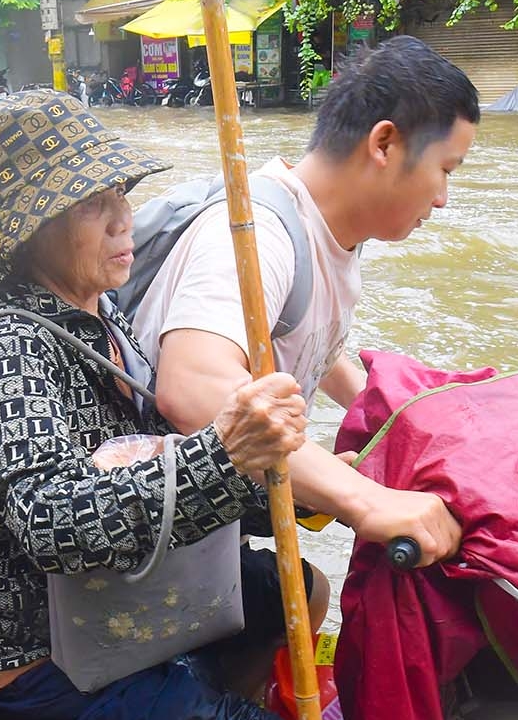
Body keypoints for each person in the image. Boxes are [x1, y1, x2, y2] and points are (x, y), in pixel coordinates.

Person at [0, 89, 317, 720]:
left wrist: (293, 485)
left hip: (117, 601)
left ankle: (201, 703)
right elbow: (54, 523)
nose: (122, 220)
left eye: (120, 196)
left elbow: (151, 459)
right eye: (92, 204)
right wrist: (221, 452)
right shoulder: (5, 346)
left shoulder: (107, 316)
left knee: (289, 586)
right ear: (33, 228)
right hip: (35, 646)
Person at [131, 35, 476, 566]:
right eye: (445, 169)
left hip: (213, 521)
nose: (442, 198)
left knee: (310, 594)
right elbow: (193, 388)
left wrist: (392, 415)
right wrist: (365, 500)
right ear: (383, 145)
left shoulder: (334, 233)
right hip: (148, 532)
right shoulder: (257, 234)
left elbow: (304, 337)